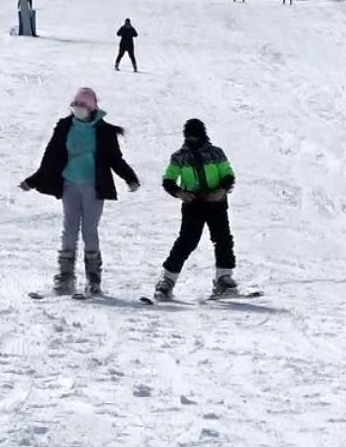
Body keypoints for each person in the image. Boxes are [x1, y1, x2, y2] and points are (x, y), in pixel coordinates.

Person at [19, 88, 140, 295]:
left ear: (92, 108)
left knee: (89, 231)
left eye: (82, 105)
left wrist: (130, 177)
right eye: (75, 105)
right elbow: (51, 157)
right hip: (70, 184)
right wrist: (33, 180)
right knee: (69, 229)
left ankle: (93, 278)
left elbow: (114, 159)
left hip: (93, 186)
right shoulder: (65, 126)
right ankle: (65, 276)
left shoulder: (103, 131)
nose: (78, 109)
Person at [152, 119, 238, 300]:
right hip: (193, 204)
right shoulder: (180, 157)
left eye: (196, 135)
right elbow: (168, 179)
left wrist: (222, 190)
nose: (193, 139)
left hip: (216, 202)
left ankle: (224, 277)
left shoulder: (215, 153)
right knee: (187, 241)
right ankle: (167, 280)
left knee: (222, 238)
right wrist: (179, 193)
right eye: (190, 136)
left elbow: (228, 174)